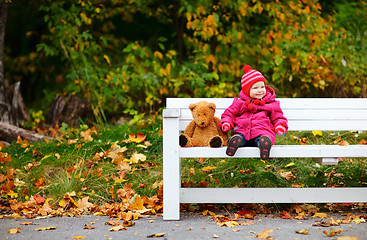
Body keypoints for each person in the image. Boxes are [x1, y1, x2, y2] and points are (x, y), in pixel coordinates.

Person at [219, 65, 288, 159]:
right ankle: (235, 142)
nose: (260, 90)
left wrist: (280, 126)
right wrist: (227, 123)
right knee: (239, 136)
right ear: (247, 91)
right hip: (242, 131)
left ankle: (264, 145)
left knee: (264, 137)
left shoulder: (271, 103)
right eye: (255, 88)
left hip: (262, 131)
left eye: (262, 87)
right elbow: (229, 113)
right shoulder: (240, 103)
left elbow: (278, 117)